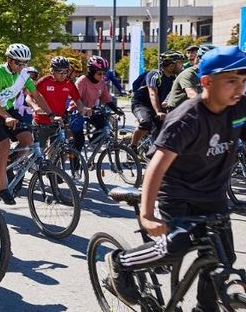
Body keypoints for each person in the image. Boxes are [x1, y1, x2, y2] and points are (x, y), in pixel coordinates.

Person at [105, 46, 246, 311]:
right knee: (174, 247)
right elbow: (157, 166)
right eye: (231, 80)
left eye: (243, 80)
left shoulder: (239, 107)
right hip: (175, 192)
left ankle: (205, 307)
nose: (239, 87)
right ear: (207, 82)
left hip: (212, 193)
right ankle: (121, 262)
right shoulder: (187, 118)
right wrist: (147, 216)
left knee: (222, 258)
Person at [0, 43, 53, 205]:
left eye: (24, 63)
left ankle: (9, 161)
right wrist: (5, 117)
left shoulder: (24, 74)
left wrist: (51, 114)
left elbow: (36, 94)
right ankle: (3, 188)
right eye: (18, 63)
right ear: (9, 60)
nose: (22, 66)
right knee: (4, 145)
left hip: (8, 110)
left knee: (28, 140)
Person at [129, 51, 186, 151]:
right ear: (171, 65)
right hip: (142, 105)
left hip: (159, 107)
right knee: (146, 123)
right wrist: (158, 111)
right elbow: (152, 93)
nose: (182, 65)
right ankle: (132, 147)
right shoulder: (155, 74)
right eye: (180, 63)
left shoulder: (174, 78)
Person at [70, 56, 124, 152]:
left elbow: (107, 98)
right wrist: (84, 108)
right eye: (99, 73)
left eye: (104, 73)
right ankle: (76, 164)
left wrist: (116, 109)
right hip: (77, 110)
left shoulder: (101, 82)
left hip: (91, 110)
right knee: (79, 141)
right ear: (91, 71)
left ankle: (93, 144)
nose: (102, 76)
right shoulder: (82, 80)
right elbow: (76, 98)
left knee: (103, 124)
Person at [31, 56, 86, 149]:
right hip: (41, 122)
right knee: (39, 153)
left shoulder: (69, 83)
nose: (63, 75)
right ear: (52, 71)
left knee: (59, 152)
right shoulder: (44, 81)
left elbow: (77, 99)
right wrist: (36, 107)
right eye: (60, 72)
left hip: (58, 122)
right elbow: (29, 97)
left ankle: (53, 163)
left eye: (66, 72)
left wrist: (82, 110)